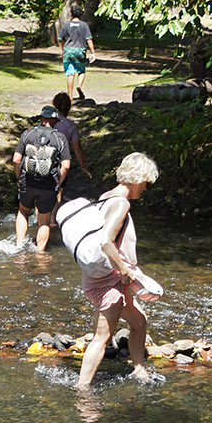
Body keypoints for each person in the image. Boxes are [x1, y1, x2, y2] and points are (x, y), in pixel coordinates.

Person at [58, 152, 162, 388]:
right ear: (140, 178)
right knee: (102, 336)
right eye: (147, 182)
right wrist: (124, 268)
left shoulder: (106, 197)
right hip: (108, 282)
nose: (146, 188)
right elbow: (106, 242)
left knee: (139, 322)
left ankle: (138, 369)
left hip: (107, 277)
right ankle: (82, 387)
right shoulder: (121, 203)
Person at [12, 105, 71, 252]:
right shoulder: (60, 138)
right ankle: (40, 253)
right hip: (48, 184)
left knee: (23, 212)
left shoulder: (27, 134)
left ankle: (19, 246)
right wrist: (59, 183)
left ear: (41, 119)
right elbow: (66, 166)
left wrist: (19, 179)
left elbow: (16, 160)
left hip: (28, 181)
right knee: (44, 220)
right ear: (54, 121)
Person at [51, 90, 89, 187]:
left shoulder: (47, 121)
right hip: (60, 161)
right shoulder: (70, 125)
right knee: (58, 189)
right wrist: (82, 166)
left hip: (43, 157)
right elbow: (77, 148)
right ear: (69, 107)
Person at [59, 4, 95, 103]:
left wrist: (63, 50)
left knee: (70, 74)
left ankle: (70, 96)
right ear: (81, 14)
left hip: (68, 50)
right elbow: (89, 39)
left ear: (71, 14)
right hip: (80, 50)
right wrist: (93, 52)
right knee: (81, 71)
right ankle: (79, 86)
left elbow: (61, 39)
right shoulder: (84, 25)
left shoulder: (66, 25)